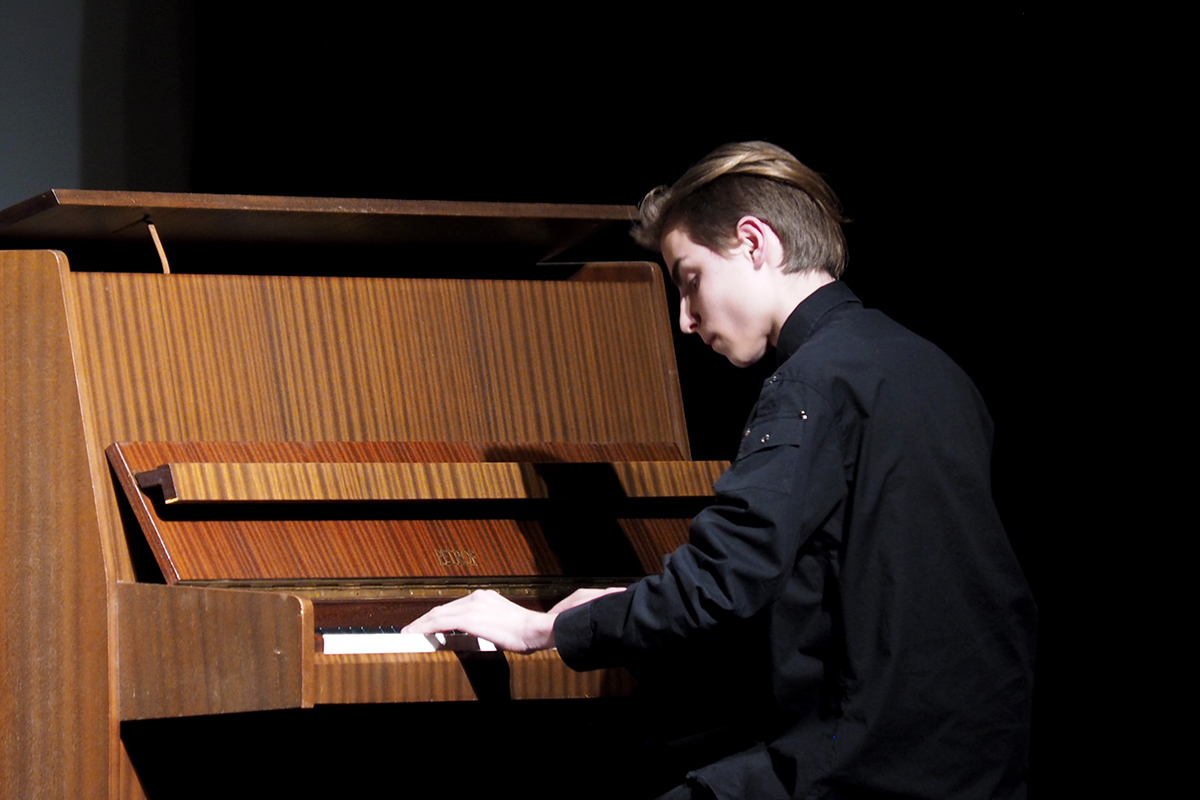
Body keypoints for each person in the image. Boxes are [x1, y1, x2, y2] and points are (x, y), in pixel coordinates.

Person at [403, 142, 1037, 799]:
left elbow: (722, 584)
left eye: (689, 280)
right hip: (975, 763)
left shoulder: (810, 384)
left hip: (860, 766)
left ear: (753, 243)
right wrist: (624, 607)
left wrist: (543, 627)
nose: (685, 319)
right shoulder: (930, 367)